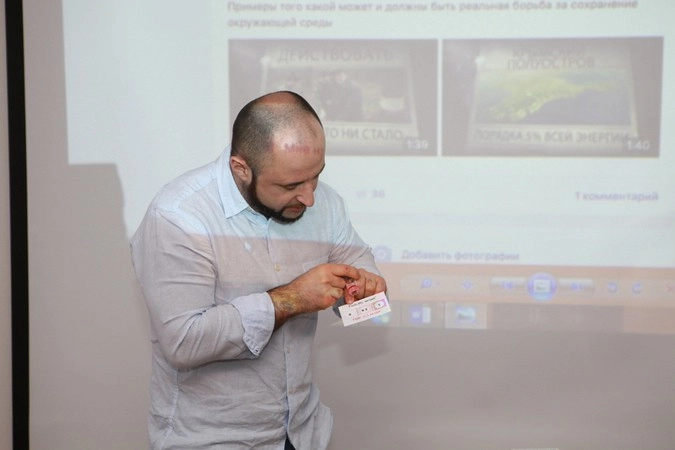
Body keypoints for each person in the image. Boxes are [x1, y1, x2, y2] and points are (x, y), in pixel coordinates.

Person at [130, 90, 387, 450]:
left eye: (316, 176)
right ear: (241, 169)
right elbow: (184, 343)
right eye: (290, 185)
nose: (310, 197)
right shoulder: (178, 217)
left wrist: (364, 294)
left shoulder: (325, 203)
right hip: (213, 441)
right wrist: (291, 299)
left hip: (303, 432)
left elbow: (362, 290)